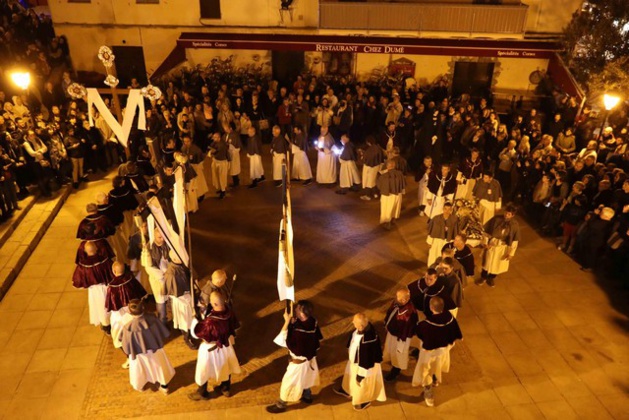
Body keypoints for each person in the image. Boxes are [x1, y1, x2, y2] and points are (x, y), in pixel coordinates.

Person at [266, 300, 323, 413]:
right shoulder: (312, 321)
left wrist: (287, 322)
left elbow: (283, 339)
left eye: (297, 308)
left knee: (288, 383)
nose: (295, 309)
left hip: (298, 363)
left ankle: (281, 404)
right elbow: (315, 337)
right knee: (306, 378)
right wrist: (293, 323)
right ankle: (307, 396)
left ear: (302, 313)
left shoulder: (299, 332)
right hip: (309, 358)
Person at [189, 291, 241, 400]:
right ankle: (225, 388)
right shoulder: (229, 312)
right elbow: (235, 325)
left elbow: (197, 334)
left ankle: (202, 393)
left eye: (212, 303)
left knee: (203, 370)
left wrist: (195, 319)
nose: (210, 304)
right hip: (226, 345)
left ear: (215, 304)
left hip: (209, 349)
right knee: (226, 367)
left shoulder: (210, 322)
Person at [411, 296, 463, 407]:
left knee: (426, 371)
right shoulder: (450, 317)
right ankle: (435, 379)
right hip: (443, 351)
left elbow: (419, 333)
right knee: (437, 366)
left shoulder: (427, 324)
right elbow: (455, 332)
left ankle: (428, 391)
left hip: (429, 354)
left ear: (431, 307)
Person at [118, 299, 175, 394]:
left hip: (139, 354)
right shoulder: (152, 318)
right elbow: (163, 332)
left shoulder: (128, 327)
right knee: (160, 367)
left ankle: (140, 386)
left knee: (139, 370)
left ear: (130, 312)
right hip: (155, 350)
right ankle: (164, 387)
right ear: (143, 308)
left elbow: (124, 344)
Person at [334, 313, 386, 411]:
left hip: (364, 367)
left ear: (361, 326)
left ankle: (364, 401)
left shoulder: (369, 339)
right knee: (351, 378)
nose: (352, 322)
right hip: (354, 362)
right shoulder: (361, 329)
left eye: (355, 322)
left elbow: (367, 359)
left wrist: (361, 374)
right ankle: (348, 390)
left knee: (362, 384)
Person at [72, 240, 114, 334]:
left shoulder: (83, 265)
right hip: (106, 286)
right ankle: (111, 322)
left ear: (85, 251)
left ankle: (106, 325)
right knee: (109, 305)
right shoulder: (104, 260)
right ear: (96, 248)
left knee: (100, 307)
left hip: (94, 290)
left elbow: (78, 279)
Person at [106, 262, 146, 355]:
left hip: (119, 315)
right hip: (133, 312)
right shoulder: (131, 279)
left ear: (114, 271)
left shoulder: (112, 286)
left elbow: (111, 303)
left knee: (118, 334)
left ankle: (128, 354)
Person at [477, 204, 521, 287]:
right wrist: (485, 243)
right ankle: (483, 277)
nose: (506, 215)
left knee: (497, 264)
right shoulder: (496, 219)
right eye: (506, 213)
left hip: (503, 247)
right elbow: (487, 232)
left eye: (509, 214)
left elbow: (515, 240)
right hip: (492, 244)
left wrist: (511, 253)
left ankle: (491, 278)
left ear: (512, 215)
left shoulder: (514, 225)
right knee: (487, 262)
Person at [382, 289, 418, 382]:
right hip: (392, 333)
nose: (396, 299)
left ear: (406, 299)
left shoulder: (409, 312)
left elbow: (407, 327)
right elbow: (390, 313)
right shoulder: (397, 303)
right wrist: (387, 323)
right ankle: (393, 363)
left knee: (398, 354)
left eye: (399, 298)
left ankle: (396, 371)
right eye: (397, 297)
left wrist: (401, 340)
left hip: (401, 337)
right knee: (391, 350)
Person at [164, 249, 197, 349]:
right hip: (181, 300)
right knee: (184, 321)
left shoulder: (182, 265)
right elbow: (172, 291)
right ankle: (187, 338)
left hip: (188, 297)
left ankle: (193, 332)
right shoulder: (171, 273)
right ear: (174, 259)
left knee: (191, 318)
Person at [141, 228, 170, 324]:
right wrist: (162, 276)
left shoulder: (167, 243)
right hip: (158, 279)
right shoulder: (149, 248)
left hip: (169, 276)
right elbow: (148, 267)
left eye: (163, 237)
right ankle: (162, 322)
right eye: (159, 237)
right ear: (154, 236)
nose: (162, 239)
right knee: (161, 301)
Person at [426, 202, 459, 266]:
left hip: (447, 242)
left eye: (449, 209)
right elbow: (431, 231)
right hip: (436, 241)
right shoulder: (436, 219)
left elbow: (455, 232)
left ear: (451, 210)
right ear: (443, 209)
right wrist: (429, 242)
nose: (447, 211)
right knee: (434, 256)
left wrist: (454, 244)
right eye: (445, 209)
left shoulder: (454, 220)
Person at [376, 159, 405, 230]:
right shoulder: (400, 174)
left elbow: (379, 186)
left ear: (387, 166)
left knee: (387, 209)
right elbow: (403, 185)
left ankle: (387, 223)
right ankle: (393, 220)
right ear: (394, 166)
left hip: (387, 196)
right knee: (395, 208)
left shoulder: (384, 176)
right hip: (397, 194)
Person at [359, 135, 384, 201]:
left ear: (368, 142)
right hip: (376, 167)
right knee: (373, 181)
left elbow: (365, 159)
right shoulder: (378, 148)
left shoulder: (370, 150)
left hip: (369, 168)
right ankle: (375, 194)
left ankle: (368, 195)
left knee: (368, 182)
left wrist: (362, 156)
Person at [209, 132, 230, 199]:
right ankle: (221, 188)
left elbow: (216, 152)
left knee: (222, 177)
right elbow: (211, 146)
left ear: (219, 138)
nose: (214, 138)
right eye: (213, 137)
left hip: (222, 162)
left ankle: (223, 191)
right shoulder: (216, 142)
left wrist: (212, 152)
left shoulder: (222, 145)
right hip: (216, 161)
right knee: (217, 176)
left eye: (215, 137)